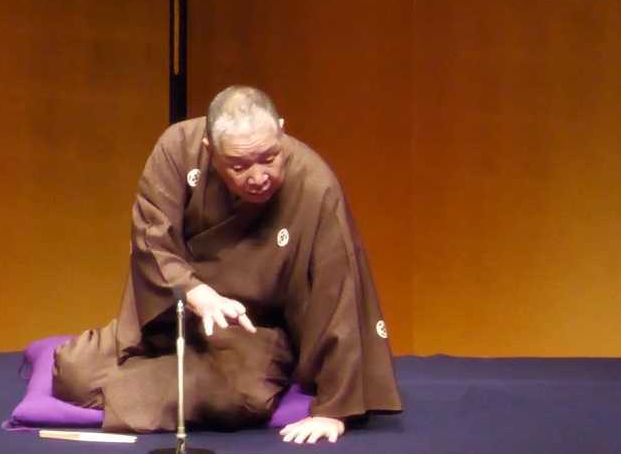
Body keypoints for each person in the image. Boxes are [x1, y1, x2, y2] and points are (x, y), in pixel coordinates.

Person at [53, 86, 402, 445]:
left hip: (254, 329)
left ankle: (168, 380)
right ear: (209, 150)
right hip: (176, 309)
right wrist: (195, 293)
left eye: (269, 158)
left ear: (281, 131)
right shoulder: (178, 149)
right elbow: (151, 237)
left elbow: (337, 288)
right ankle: (172, 371)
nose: (258, 177)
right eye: (239, 165)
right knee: (73, 372)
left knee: (242, 396)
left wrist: (334, 408)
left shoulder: (315, 184)